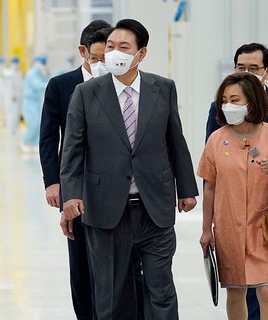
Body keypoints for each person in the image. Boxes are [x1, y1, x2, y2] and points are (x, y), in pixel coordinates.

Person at [59, 19, 198, 319]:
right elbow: (72, 149)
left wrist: (186, 189)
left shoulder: (163, 88)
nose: (114, 52)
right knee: (112, 295)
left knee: (161, 290)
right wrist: (70, 196)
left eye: (124, 47)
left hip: (154, 208)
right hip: (106, 210)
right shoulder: (86, 93)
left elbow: (175, 140)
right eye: (110, 46)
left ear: (141, 54)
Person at [39, 20, 111, 320]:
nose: (105, 64)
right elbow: (48, 137)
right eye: (98, 58)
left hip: (114, 185)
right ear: (83, 52)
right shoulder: (62, 86)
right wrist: (53, 182)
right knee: (81, 263)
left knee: (119, 265)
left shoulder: (124, 85)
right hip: (77, 186)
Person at [205, 43, 268, 319]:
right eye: (241, 67)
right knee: (236, 289)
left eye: (253, 68)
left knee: (266, 290)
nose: (229, 106)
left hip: (267, 221)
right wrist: (206, 228)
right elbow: (210, 180)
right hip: (229, 222)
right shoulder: (218, 134)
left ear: (267, 71)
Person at [21, 55, 48, 152]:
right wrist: (51, 85)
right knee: (32, 123)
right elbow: (37, 85)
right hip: (29, 101)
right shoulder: (31, 74)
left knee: (38, 123)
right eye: (42, 63)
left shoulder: (39, 73)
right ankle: (25, 141)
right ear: (36, 63)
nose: (43, 66)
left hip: (37, 101)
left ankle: (35, 143)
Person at [4, 55, 23, 135]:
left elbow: (21, 84)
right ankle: (11, 128)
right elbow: (9, 85)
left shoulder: (19, 73)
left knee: (17, 112)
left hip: (19, 95)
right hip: (11, 96)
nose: (16, 65)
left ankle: (16, 127)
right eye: (14, 63)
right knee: (11, 112)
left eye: (17, 63)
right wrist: (13, 95)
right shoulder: (9, 73)